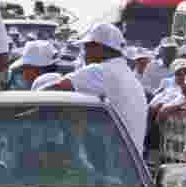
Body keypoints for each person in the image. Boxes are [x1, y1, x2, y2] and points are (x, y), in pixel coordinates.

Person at [43, 23, 147, 156]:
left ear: (99, 47)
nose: (84, 53)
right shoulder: (129, 76)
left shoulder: (100, 71)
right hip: (131, 162)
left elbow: (50, 91)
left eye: (86, 47)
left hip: (113, 161)